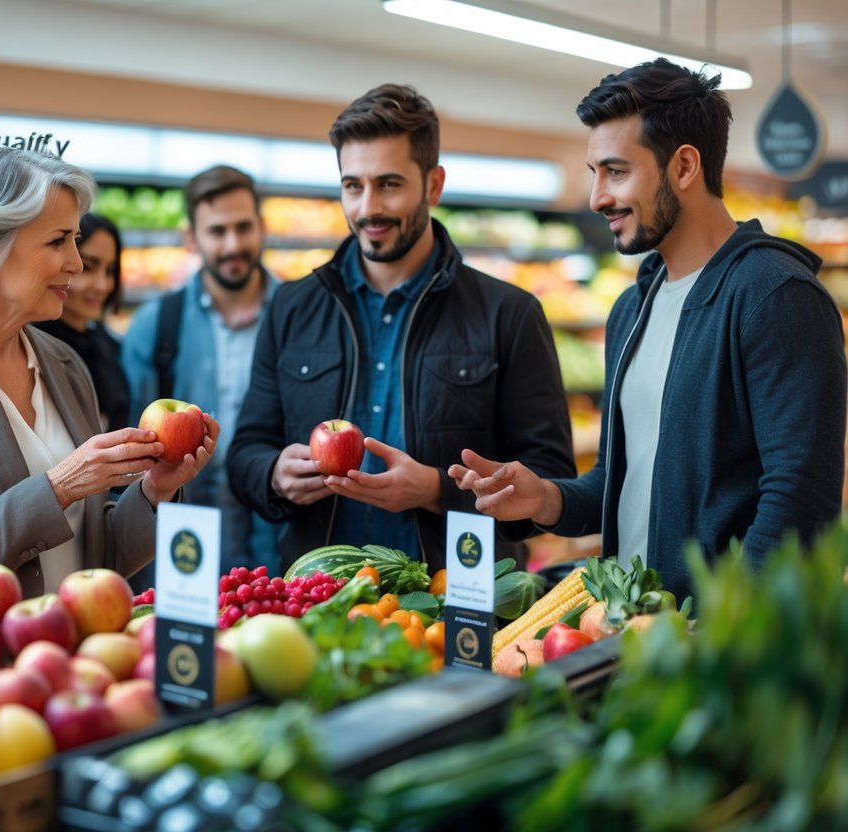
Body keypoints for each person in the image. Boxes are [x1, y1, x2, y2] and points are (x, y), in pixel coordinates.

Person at [448, 58, 847, 602]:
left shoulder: (774, 297)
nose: (597, 199)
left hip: (712, 650)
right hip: (631, 623)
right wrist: (546, 499)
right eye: (595, 173)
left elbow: (801, 500)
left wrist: (718, 635)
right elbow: (621, 476)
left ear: (684, 166)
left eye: (616, 171)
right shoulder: (631, 309)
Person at [227, 84, 575, 574]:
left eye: (389, 184)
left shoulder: (509, 314)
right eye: (353, 185)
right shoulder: (291, 307)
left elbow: (550, 482)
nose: (368, 207)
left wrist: (437, 490)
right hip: (317, 601)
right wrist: (272, 475)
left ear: (433, 185)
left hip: (456, 603)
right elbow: (245, 453)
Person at [0, 146, 218, 597]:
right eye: (57, 240)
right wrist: (60, 486)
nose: (78, 262)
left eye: (75, 238)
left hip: (78, 653)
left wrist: (153, 493)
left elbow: (97, 557)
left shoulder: (64, 364)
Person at [122, 165, 280, 575]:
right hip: (181, 542)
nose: (233, 244)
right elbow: (131, 454)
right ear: (191, 237)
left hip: (279, 537)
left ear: (262, 227)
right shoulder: (154, 326)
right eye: (217, 231)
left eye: (244, 227)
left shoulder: (299, 318)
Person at [35, 212, 130, 432]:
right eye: (88, 267)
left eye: (110, 271)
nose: (103, 285)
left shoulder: (107, 343)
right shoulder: (32, 348)